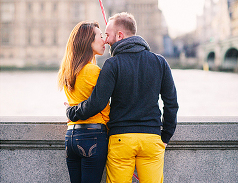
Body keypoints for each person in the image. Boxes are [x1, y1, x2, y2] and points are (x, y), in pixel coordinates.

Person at [66, 12, 179, 183]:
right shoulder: (160, 62)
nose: (106, 40)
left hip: (121, 139)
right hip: (151, 139)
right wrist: (165, 136)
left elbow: (97, 102)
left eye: (108, 35)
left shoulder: (112, 64)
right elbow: (171, 104)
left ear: (120, 35)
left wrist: (72, 112)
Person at [58, 21, 110, 183]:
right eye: (100, 36)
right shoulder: (93, 71)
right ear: (88, 41)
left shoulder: (68, 71)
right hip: (93, 135)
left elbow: (75, 103)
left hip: (71, 136)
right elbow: (102, 106)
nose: (105, 41)